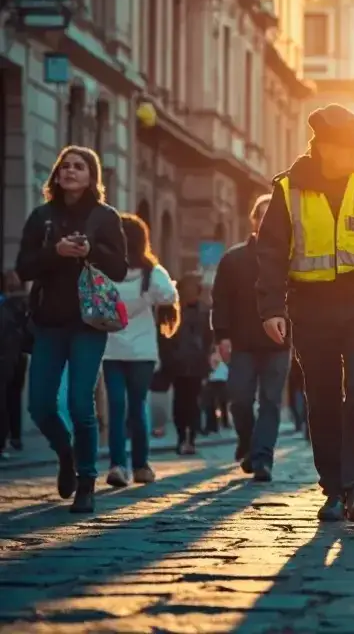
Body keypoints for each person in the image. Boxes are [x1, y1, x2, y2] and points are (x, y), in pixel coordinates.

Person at [256, 104, 354, 523]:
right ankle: (332, 488)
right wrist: (272, 307)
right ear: (322, 147)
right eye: (345, 147)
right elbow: (269, 252)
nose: (353, 154)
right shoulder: (288, 189)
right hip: (311, 305)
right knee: (322, 398)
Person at [16, 146, 128, 513]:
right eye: (65, 166)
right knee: (41, 405)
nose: (70, 171)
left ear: (91, 175)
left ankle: (86, 482)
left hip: (89, 322)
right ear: (57, 174)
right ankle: (65, 452)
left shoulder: (105, 217)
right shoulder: (41, 216)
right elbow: (24, 267)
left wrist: (89, 250)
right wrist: (55, 252)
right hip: (48, 322)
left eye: (78, 166)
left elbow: (120, 269)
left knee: (81, 403)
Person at [213, 194, 291, 482]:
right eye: (263, 216)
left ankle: (262, 458)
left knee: (271, 401)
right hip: (242, 342)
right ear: (255, 221)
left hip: (279, 343)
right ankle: (247, 441)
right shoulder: (233, 259)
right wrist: (221, 336)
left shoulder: (291, 260)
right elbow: (220, 301)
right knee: (239, 399)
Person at [101, 214, 178, 487]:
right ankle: (141, 465)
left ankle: (119, 466)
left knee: (118, 407)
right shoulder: (151, 272)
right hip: (138, 351)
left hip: (113, 348)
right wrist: (147, 297)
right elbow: (169, 295)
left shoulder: (106, 269)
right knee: (136, 406)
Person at [164, 275, 212, 455]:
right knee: (180, 403)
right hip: (178, 365)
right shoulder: (175, 310)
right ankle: (181, 438)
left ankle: (191, 438)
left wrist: (207, 356)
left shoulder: (205, 311)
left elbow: (209, 338)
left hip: (197, 364)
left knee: (194, 402)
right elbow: (167, 337)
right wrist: (170, 358)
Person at [0, 271, 33, 459]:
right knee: (14, 398)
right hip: (19, 356)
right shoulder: (25, 305)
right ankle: (16, 436)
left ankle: (3, 440)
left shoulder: (4, 306)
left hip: (6, 356)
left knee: (3, 399)